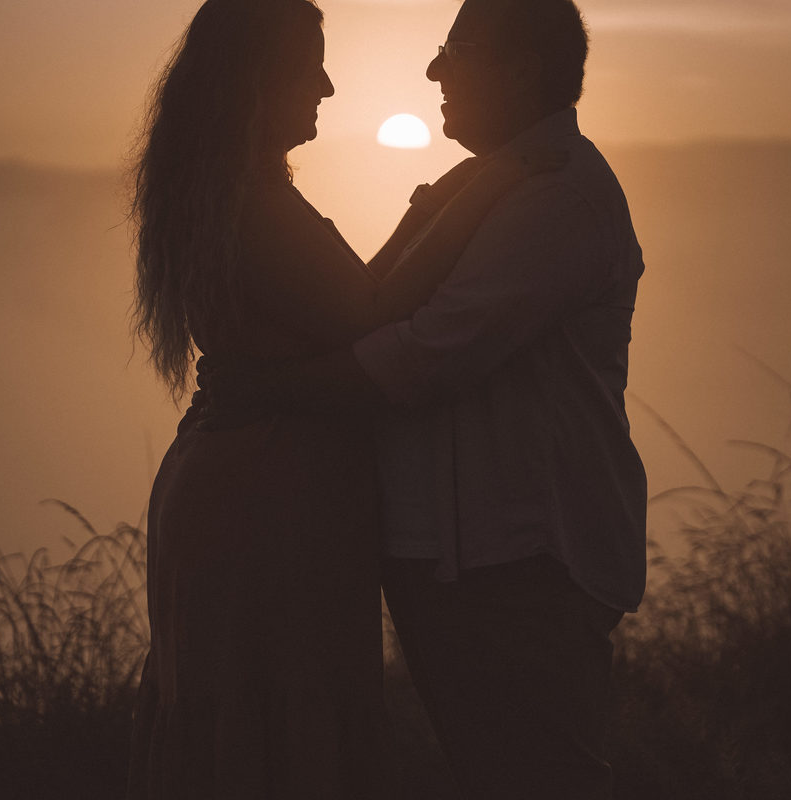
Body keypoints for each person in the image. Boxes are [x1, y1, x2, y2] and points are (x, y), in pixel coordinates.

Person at [206, 0, 648, 797]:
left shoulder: (557, 196)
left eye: (455, 49)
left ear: (518, 69)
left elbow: (424, 355)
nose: (435, 68)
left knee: (542, 779)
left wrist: (267, 390)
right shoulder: (491, 185)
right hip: (461, 561)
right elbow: (373, 311)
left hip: (520, 562)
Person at [122, 1, 556, 797]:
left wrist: (440, 203)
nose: (325, 86)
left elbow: (353, 295)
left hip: (248, 485)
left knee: (251, 724)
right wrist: (481, 190)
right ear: (258, 80)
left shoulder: (233, 193)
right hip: (265, 502)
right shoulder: (253, 205)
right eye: (309, 68)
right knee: (284, 724)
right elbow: (374, 312)